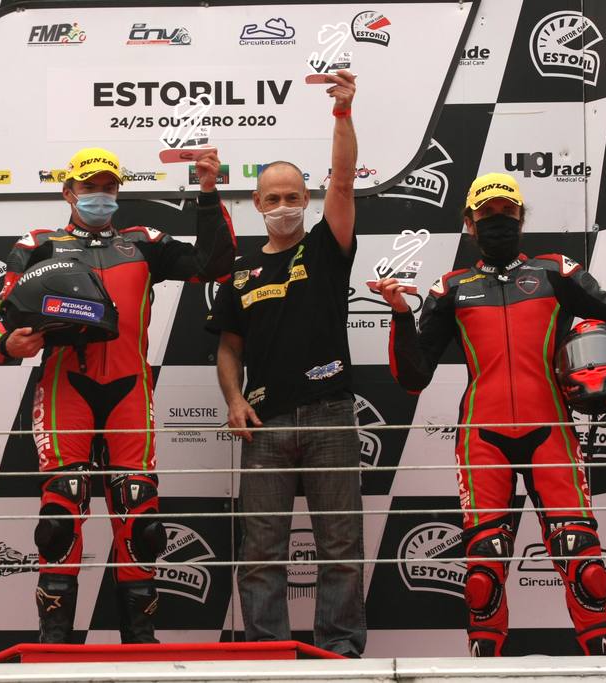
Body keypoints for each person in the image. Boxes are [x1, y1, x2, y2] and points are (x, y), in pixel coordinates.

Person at [377, 172, 606, 656]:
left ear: (521, 218)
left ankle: (605, 667)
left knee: (586, 566)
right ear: (469, 224)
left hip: (551, 430)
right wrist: (401, 315)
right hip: (481, 437)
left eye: (507, 212)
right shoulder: (451, 288)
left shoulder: (555, 272)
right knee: (482, 576)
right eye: (487, 213)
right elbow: (413, 377)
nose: (498, 220)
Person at [0, 147, 234, 644]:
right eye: (89, 187)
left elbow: (216, 265)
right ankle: (55, 643)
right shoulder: (38, 244)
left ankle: (140, 642)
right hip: (66, 388)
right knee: (60, 514)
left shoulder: (143, 243)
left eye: (108, 187)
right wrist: (7, 344)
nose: (99, 196)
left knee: (141, 518)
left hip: (130, 387)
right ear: (68, 192)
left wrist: (208, 194)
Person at [206, 70, 364, 657]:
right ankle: (266, 656)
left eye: (292, 197)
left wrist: (342, 114)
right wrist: (233, 399)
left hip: (329, 415)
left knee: (341, 548)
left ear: (307, 200)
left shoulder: (326, 246)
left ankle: (340, 654)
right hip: (264, 425)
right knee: (260, 553)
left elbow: (343, 178)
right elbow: (228, 347)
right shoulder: (239, 275)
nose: (282, 206)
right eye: (271, 199)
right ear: (256, 204)